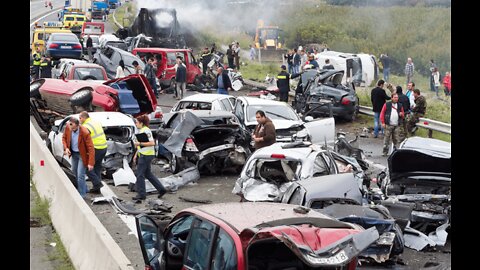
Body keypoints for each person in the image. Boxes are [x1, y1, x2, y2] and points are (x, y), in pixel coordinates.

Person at [132, 115, 167, 201]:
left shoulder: (145, 130)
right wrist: (136, 154)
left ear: (141, 123)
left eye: (137, 122)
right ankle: (161, 189)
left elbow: (152, 143)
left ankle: (141, 194)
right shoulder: (142, 130)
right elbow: (142, 145)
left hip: (145, 155)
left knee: (140, 175)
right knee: (148, 174)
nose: (136, 124)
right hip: (144, 154)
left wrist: (139, 143)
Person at [62, 117, 95, 198]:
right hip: (74, 154)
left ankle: (82, 194)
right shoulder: (68, 127)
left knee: (80, 175)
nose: (71, 129)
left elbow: (91, 148)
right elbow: (64, 138)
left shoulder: (84, 132)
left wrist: (91, 163)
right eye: (70, 127)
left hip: (82, 155)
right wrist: (66, 148)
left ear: (78, 125)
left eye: (73, 128)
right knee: (74, 173)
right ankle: (85, 188)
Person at [79, 111, 107, 194]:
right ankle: (97, 189)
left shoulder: (85, 126)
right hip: (103, 147)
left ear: (84, 118)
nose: (79, 120)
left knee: (88, 167)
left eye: (80, 118)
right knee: (97, 168)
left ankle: (97, 183)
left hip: (96, 148)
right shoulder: (96, 122)